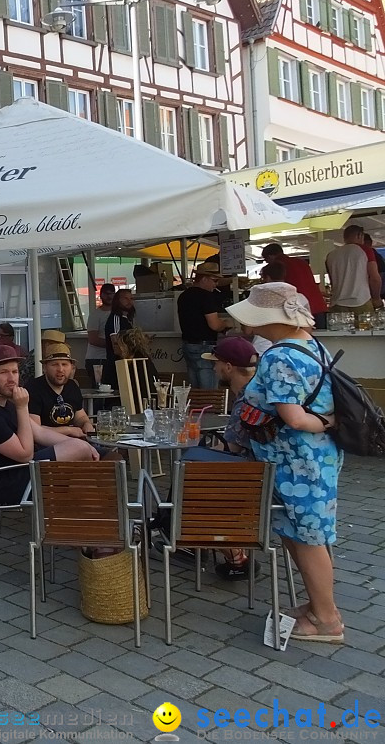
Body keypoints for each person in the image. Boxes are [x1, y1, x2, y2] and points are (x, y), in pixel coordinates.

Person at [227, 283, 344, 644]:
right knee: (301, 533)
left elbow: (293, 417)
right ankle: (317, 606)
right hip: (311, 457)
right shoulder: (312, 345)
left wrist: (326, 420)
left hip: (298, 461)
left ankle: (327, 619)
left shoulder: (280, 356)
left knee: (308, 538)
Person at [0, 345, 99, 506]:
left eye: (15, 372)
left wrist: (82, 444)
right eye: (4, 372)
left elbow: (39, 432)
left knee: (94, 454)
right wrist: (22, 407)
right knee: (80, 456)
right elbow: (25, 455)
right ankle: (86, 518)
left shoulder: (2, 401)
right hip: (2, 485)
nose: (11, 379)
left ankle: (83, 518)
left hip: (17, 471)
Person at [180, 335, 260, 580]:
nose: (213, 368)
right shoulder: (257, 391)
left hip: (249, 480)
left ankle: (233, 554)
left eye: (216, 363)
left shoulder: (247, 399)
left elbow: (234, 449)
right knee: (195, 457)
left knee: (192, 469)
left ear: (228, 367)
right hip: (262, 473)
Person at [177, 262, 231, 389]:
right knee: (209, 391)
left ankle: (196, 409)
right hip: (205, 347)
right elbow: (215, 325)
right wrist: (226, 324)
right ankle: (208, 410)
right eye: (214, 280)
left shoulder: (183, 296)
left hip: (188, 345)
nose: (216, 284)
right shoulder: (206, 296)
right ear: (204, 279)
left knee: (195, 390)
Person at [26, 344, 94, 437]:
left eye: (65, 364)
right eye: (55, 364)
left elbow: (80, 417)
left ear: (71, 367)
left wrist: (86, 424)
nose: (60, 369)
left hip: (73, 442)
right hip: (45, 445)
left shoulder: (72, 386)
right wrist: (68, 430)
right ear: (45, 368)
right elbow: (35, 430)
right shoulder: (33, 388)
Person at [260, 244, 326, 328]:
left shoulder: (279, 266)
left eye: (266, 259)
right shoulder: (301, 262)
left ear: (270, 256)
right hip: (318, 304)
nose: (266, 262)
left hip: (299, 308)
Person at [326, 224, 381, 314]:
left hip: (337, 303)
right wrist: (376, 298)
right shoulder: (365, 250)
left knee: (339, 327)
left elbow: (333, 281)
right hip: (361, 301)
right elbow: (374, 278)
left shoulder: (331, 255)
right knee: (367, 327)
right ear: (359, 235)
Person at [101, 288, 136, 387]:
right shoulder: (115, 318)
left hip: (126, 365)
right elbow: (116, 344)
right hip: (117, 366)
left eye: (131, 298)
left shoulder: (127, 319)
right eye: (125, 298)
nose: (129, 301)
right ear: (118, 300)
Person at [85, 284, 116, 388]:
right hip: (96, 360)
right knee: (99, 391)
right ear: (101, 295)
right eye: (107, 294)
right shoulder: (95, 315)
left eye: (112, 294)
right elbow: (93, 339)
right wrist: (115, 345)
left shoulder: (117, 314)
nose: (110, 296)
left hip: (110, 358)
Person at [364, 233, 385, 302]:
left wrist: (376, 297)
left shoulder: (372, 255)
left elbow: (377, 277)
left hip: (375, 294)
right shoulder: (377, 255)